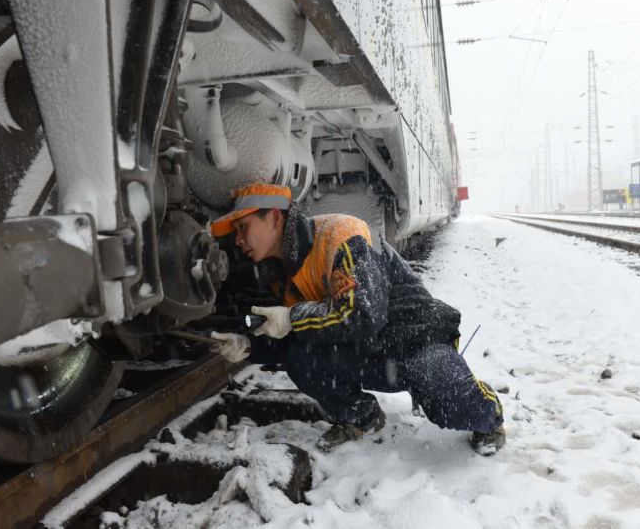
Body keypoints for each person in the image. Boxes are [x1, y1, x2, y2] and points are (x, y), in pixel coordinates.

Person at [208, 183, 505, 454]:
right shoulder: (280, 273)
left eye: (243, 227)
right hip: (370, 352)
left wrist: (291, 318)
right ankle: (362, 417)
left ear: (274, 217)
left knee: (450, 403)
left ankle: (489, 413)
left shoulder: (341, 235)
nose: (238, 240)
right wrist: (249, 345)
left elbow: (362, 315)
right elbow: (298, 333)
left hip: (416, 341)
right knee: (301, 357)